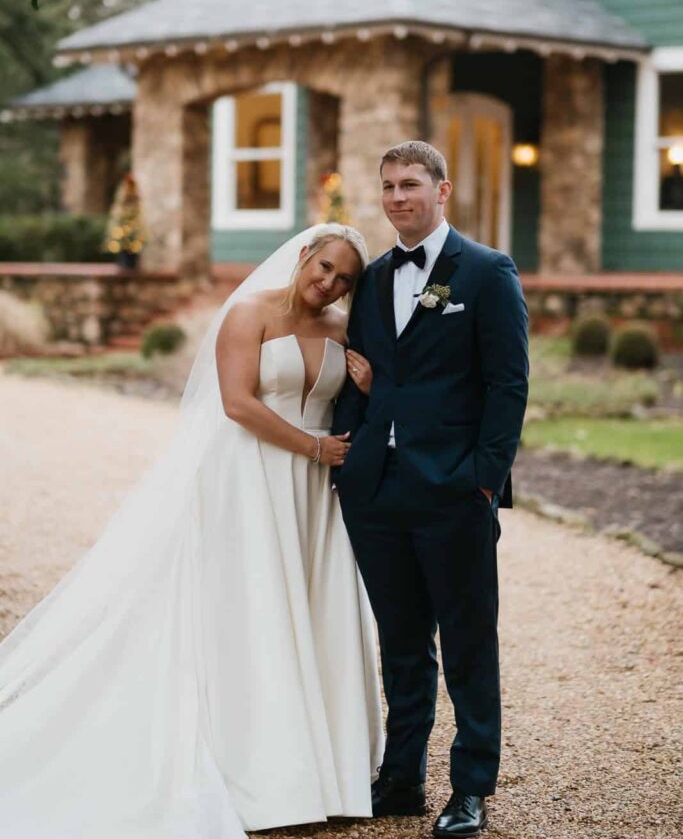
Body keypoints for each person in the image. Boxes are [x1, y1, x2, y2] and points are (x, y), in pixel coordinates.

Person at [0, 223, 383, 839]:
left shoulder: (342, 329)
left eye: (344, 279)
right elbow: (237, 403)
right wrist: (314, 447)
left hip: (314, 492)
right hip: (250, 474)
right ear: (304, 255)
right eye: (325, 268)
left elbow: (348, 403)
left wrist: (367, 388)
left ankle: (323, 768)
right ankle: (262, 768)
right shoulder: (248, 313)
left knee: (310, 608)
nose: (330, 283)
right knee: (252, 606)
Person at [332, 141, 529, 839]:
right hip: (376, 493)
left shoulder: (484, 272)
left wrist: (482, 480)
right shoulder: (373, 276)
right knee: (401, 641)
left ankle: (470, 787)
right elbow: (361, 375)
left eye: (409, 184)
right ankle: (402, 777)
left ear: (442, 191)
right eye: (386, 186)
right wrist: (348, 465)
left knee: (469, 642)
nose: (396, 198)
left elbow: (508, 384)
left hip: (454, 493)